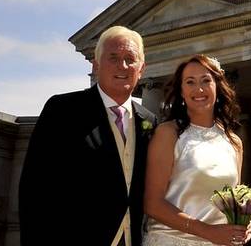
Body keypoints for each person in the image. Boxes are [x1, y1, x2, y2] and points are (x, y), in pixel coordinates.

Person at [19, 25, 156, 246]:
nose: (122, 65)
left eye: (130, 58)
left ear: (141, 69)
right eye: (113, 57)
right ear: (96, 65)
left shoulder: (149, 121)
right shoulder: (63, 110)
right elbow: (34, 191)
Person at [143, 55, 251, 246]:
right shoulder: (168, 134)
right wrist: (208, 232)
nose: (199, 89)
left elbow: (232, 202)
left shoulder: (234, 142)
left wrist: (244, 223)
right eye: (190, 82)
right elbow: (152, 203)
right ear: (182, 91)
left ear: (217, 86)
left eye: (206, 81)